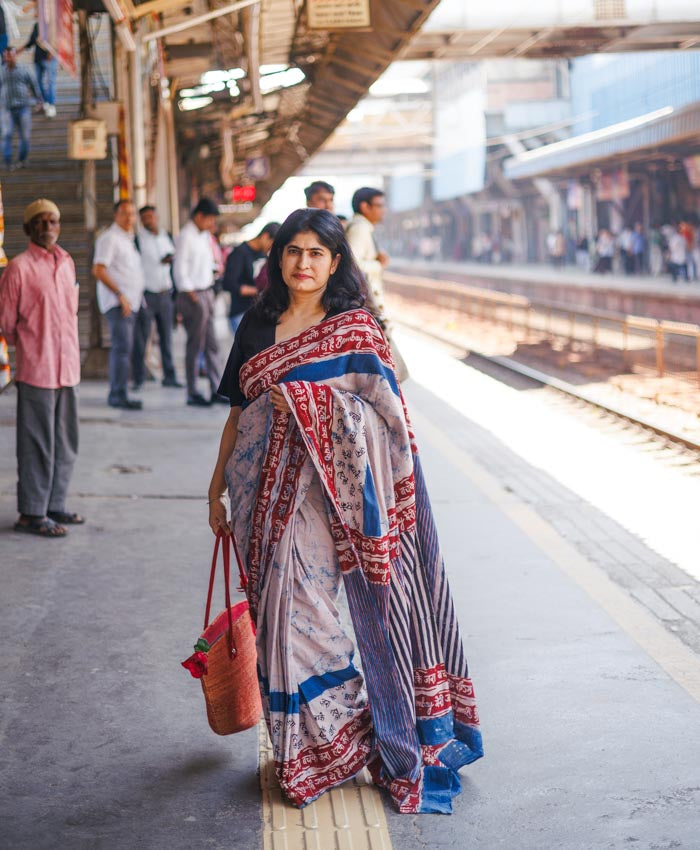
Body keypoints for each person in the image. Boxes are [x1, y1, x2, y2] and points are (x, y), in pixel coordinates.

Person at [209, 208, 482, 814]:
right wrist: (215, 489)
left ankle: (347, 736)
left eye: (316, 254)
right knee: (271, 616)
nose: (302, 264)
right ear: (277, 259)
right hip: (257, 493)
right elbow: (237, 413)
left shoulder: (355, 329)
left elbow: (390, 423)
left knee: (309, 618)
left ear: (335, 263)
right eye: (292, 252)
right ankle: (297, 754)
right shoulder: (257, 324)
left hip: (325, 498)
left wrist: (308, 404)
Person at [0, 198, 83, 537]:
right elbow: (5, 322)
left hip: (68, 365)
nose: (48, 227)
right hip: (37, 366)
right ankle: (31, 513)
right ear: (29, 228)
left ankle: (54, 504)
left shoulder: (66, 262)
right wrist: (30, 345)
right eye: (41, 222)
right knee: (36, 442)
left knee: (66, 441)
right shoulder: (18, 268)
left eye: (53, 222)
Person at [93, 199, 145, 410]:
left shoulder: (128, 239)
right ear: (116, 215)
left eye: (132, 213)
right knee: (122, 349)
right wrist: (120, 294)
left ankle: (121, 390)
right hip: (118, 303)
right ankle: (117, 394)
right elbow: (99, 270)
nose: (129, 217)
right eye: (124, 213)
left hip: (132, 303)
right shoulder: (110, 238)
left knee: (127, 349)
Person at [172, 197, 225, 406]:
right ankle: (192, 392)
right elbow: (179, 269)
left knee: (212, 344)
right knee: (195, 345)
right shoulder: (185, 236)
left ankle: (216, 388)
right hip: (192, 295)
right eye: (210, 219)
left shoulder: (204, 236)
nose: (212, 224)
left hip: (207, 292)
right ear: (199, 216)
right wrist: (189, 291)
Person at [131, 205, 182, 388]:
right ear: (141, 220)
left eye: (151, 216)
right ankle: (138, 378)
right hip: (147, 295)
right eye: (144, 217)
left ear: (156, 217)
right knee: (142, 339)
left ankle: (170, 376)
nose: (148, 220)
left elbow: (174, 259)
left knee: (166, 338)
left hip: (165, 293)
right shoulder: (137, 240)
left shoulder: (165, 236)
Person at [221, 222, 279, 334]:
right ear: (265, 236)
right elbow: (228, 283)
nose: (271, 248)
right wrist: (257, 291)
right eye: (272, 244)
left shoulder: (264, 254)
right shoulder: (240, 252)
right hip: (241, 313)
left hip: (260, 313)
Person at [0, 45, 42, 170]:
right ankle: (7, 161)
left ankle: (22, 159)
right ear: (3, 56)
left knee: (24, 135)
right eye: (6, 56)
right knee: (6, 134)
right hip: (6, 108)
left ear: (15, 55)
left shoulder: (24, 69)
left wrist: (38, 100)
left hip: (23, 107)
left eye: (11, 55)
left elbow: (33, 84)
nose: (9, 58)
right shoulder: (1, 71)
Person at [19, 19, 56, 117]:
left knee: (50, 82)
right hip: (38, 58)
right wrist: (19, 50)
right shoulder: (36, 25)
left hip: (49, 58)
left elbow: (58, 40)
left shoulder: (52, 25)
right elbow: (31, 41)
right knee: (38, 83)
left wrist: (52, 52)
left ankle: (51, 105)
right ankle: (45, 103)